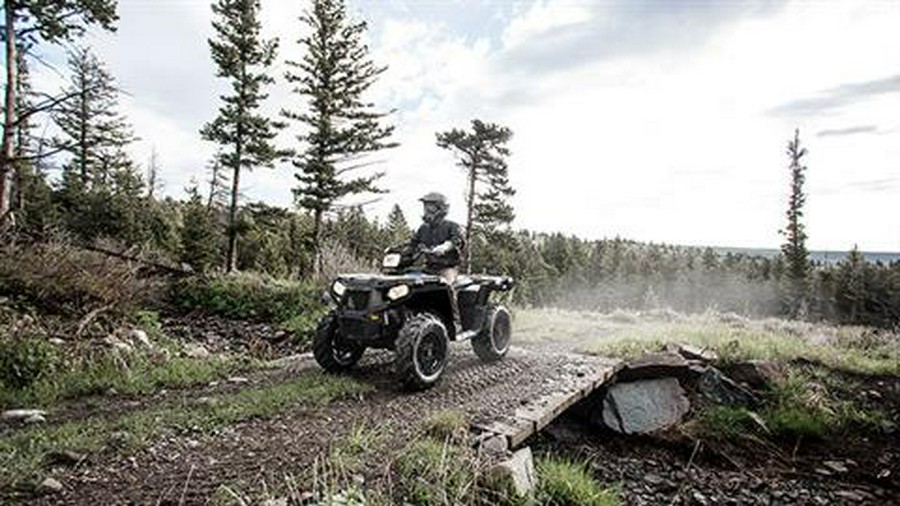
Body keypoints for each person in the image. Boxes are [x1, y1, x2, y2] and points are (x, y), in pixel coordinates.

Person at [409, 192, 465, 327]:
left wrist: (446, 246)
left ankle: (456, 321)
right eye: (425, 207)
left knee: (447, 286)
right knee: (409, 283)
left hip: (447, 268)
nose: (426, 210)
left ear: (441, 208)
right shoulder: (423, 228)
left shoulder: (452, 226)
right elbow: (412, 243)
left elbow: (457, 240)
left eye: (430, 207)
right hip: (429, 267)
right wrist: (396, 250)